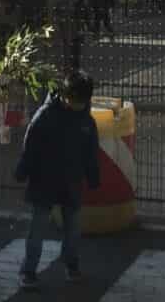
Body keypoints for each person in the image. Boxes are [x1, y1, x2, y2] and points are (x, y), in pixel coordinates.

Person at [15, 71, 100, 290]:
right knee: (39, 227)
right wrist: (23, 168)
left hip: (69, 179)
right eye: (76, 101)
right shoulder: (48, 115)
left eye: (82, 101)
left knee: (72, 228)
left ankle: (71, 265)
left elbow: (90, 152)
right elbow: (31, 145)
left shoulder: (84, 120)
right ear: (66, 96)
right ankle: (29, 271)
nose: (79, 105)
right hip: (45, 178)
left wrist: (92, 175)